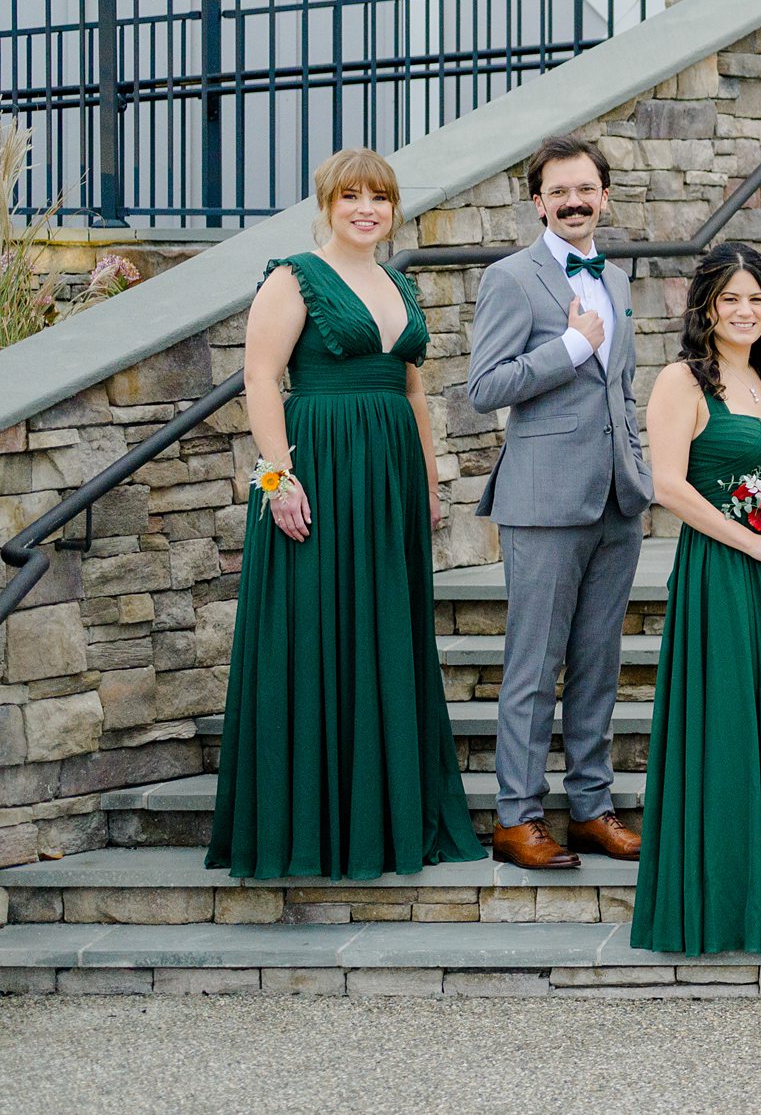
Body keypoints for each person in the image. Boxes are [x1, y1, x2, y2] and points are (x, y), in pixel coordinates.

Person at [208, 148, 480, 878]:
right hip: (321, 470)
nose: (367, 209)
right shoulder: (294, 276)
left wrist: (425, 482)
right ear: (327, 203)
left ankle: (386, 814)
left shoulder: (396, 281)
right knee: (316, 629)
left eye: (380, 198)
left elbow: (415, 392)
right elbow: (260, 377)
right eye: (352, 196)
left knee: (385, 631)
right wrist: (276, 478)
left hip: (388, 476)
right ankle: (317, 824)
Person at [630, 243, 761, 955]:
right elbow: (668, 485)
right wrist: (756, 545)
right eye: (730, 300)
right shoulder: (682, 381)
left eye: (756, 299)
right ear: (706, 307)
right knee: (728, 738)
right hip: (724, 574)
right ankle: (724, 903)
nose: (745, 311)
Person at [465, 135, 649, 872]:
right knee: (534, 667)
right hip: (542, 501)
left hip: (616, 497)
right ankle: (517, 818)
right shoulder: (512, 278)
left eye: (586, 189)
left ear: (604, 195)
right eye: (559, 191)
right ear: (537, 201)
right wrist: (570, 347)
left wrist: (639, 466)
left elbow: (622, 388)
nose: (574, 201)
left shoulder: (620, 278)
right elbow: (485, 388)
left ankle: (591, 808)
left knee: (599, 663)